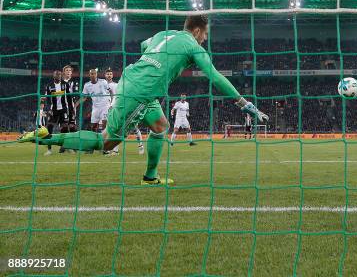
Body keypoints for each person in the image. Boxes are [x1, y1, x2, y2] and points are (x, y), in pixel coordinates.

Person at [19, 15, 269, 185]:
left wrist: (151, 64)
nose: (205, 38)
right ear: (196, 30)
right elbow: (214, 76)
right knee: (105, 142)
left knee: (161, 126)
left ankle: (150, 177)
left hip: (139, 83)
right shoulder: (194, 46)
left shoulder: (164, 34)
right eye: (205, 34)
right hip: (140, 91)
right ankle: (44, 137)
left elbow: (143, 44)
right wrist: (244, 103)